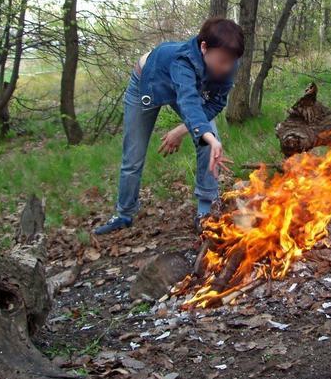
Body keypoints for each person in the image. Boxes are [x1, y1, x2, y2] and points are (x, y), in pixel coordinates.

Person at [92, 17, 244, 235]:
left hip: (184, 90)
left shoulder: (228, 62)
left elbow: (215, 103)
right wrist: (204, 133)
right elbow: (189, 101)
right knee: (133, 155)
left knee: (209, 143)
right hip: (147, 84)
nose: (227, 67)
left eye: (232, 61)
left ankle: (205, 212)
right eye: (222, 60)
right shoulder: (182, 62)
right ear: (204, 48)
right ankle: (124, 214)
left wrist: (185, 131)